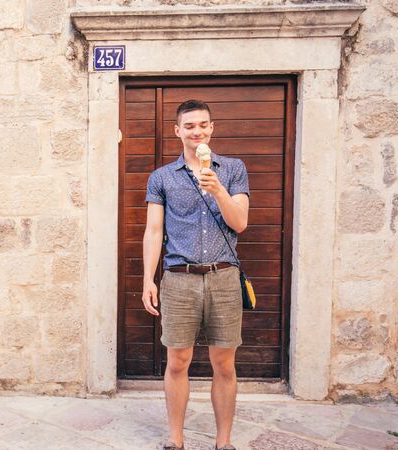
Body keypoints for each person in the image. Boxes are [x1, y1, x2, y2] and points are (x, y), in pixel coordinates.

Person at [142, 99, 250, 450]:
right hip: (179, 278)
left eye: (202, 125)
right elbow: (154, 231)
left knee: (224, 363)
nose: (196, 131)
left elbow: (240, 223)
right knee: (178, 361)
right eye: (189, 126)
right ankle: (176, 441)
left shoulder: (233, 170)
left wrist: (217, 189)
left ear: (212, 128)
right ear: (177, 131)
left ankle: (224, 442)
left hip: (223, 277)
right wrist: (148, 279)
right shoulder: (161, 177)